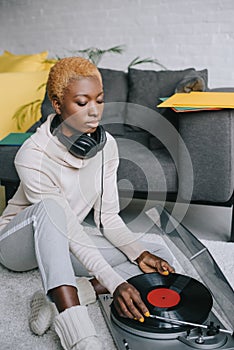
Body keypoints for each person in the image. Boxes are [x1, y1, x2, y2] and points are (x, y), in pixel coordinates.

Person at [0, 57, 174, 349]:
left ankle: (59, 296)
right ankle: (78, 334)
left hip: (62, 243)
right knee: (51, 210)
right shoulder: (32, 155)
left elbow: (108, 218)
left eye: (100, 100)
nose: (94, 112)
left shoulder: (108, 148)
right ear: (57, 105)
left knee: (156, 256)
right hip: (16, 245)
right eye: (81, 102)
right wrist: (114, 282)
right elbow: (66, 225)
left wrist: (137, 252)